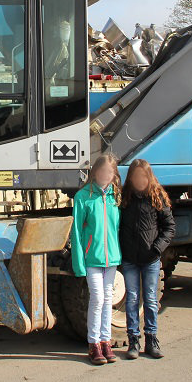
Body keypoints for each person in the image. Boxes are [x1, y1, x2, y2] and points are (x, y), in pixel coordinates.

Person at [118, 159, 176, 360]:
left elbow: (169, 227)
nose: (139, 179)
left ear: (148, 177)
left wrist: (157, 248)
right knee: (132, 299)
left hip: (150, 259)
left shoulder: (157, 197)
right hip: (130, 260)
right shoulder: (124, 198)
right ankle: (133, 340)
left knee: (151, 299)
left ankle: (152, 339)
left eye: (143, 176)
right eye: (135, 176)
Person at [70, 154, 122, 365]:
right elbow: (76, 231)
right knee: (98, 299)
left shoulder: (114, 197)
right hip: (92, 258)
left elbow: (117, 228)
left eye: (110, 173)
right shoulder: (83, 197)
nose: (106, 175)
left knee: (108, 300)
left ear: (114, 175)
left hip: (112, 259)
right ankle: (93, 344)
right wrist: (78, 263)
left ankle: (105, 342)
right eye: (102, 172)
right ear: (95, 173)